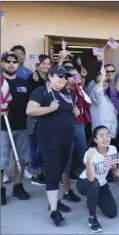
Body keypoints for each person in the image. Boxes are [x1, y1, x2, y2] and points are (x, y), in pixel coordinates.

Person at [26, 66, 80, 226]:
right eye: (59, 76)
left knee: (60, 171)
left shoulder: (66, 94)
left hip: (66, 139)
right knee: (53, 173)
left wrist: (74, 113)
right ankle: (54, 211)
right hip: (49, 139)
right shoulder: (41, 91)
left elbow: (66, 113)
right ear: (49, 76)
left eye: (65, 77)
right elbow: (30, 110)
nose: (63, 79)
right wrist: (49, 108)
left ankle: (54, 202)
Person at [77, 125, 119, 233]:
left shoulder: (112, 149)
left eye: (107, 135)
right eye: (101, 136)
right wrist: (89, 159)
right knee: (94, 183)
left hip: (101, 184)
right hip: (85, 183)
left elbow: (113, 169)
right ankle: (92, 217)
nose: (105, 138)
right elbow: (91, 178)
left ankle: (91, 199)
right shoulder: (90, 153)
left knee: (112, 213)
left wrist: (117, 172)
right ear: (95, 140)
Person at [1, 52, 31, 205]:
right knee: (1, 161)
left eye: (15, 62)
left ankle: (18, 186)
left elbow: (30, 104)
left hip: (22, 127)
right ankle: (1, 190)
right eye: (8, 61)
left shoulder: (24, 83)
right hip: (2, 129)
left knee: (22, 159)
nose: (11, 64)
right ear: (2, 63)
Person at [26, 54, 52, 185]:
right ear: (38, 65)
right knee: (35, 146)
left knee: (44, 146)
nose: (46, 66)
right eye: (43, 63)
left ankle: (43, 171)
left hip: (47, 116)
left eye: (48, 63)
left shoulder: (50, 79)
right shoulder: (32, 78)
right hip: (35, 117)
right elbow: (29, 98)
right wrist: (34, 82)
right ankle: (36, 173)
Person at [90, 70, 118, 142]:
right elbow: (98, 90)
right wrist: (103, 75)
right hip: (101, 135)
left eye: (105, 81)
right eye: (101, 81)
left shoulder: (107, 95)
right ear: (96, 83)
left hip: (111, 133)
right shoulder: (95, 92)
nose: (104, 83)